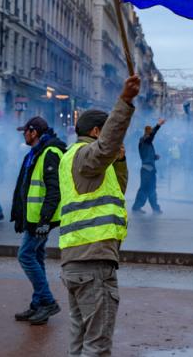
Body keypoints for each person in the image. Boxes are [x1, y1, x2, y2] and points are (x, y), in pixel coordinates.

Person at [58, 75, 139, 356]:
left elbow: (118, 189)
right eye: (106, 133)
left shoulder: (75, 159)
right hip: (92, 263)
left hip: (79, 261)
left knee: (81, 343)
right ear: (95, 132)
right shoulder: (84, 155)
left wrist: (120, 160)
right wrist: (125, 102)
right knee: (97, 346)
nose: (113, 140)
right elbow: (106, 145)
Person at [10, 116, 66, 325]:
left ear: (34, 132)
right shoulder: (36, 152)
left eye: (25, 131)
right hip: (34, 217)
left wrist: (44, 220)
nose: (23, 134)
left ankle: (49, 302)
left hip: (42, 217)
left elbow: (54, 190)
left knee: (25, 256)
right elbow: (26, 187)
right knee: (36, 256)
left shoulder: (50, 152)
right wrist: (21, 216)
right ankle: (38, 304)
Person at [132, 118, 165, 214]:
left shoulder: (146, 143)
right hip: (147, 170)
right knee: (146, 189)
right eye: (150, 133)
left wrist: (155, 157)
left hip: (149, 169)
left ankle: (153, 208)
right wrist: (158, 125)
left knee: (150, 189)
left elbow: (146, 155)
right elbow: (151, 135)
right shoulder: (145, 140)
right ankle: (139, 207)